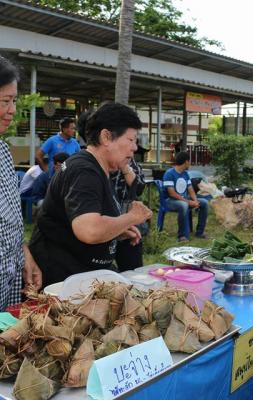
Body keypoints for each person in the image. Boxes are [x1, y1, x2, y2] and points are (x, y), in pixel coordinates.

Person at [29, 103, 152, 288]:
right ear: (106, 137)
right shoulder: (84, 171)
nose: (135, 148)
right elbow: (89, 230)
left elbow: (80, 220)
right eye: (131, 140)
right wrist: (132, 217)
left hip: (81, 276)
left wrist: (117, 230)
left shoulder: (97, 168)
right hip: (64, 283)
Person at [0, 55, 42, 309]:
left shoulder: (3, 152)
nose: (13, 110)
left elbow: (11, 221)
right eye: (5, 101)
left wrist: (24, 253)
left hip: (7, 285)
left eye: (14, 101)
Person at [111, 156, 147, 271]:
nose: (133, 148)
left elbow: (139, 189)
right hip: (104, 220)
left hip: (127, 221)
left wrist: (125, 167)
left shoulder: (132, 163)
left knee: (132, 270)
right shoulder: (99, 163)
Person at [163, 151, 208, 242]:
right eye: (189, 161)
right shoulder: (169, 173)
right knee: (184, 205)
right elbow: (172, 194)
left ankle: (200, 232)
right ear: (186, 162)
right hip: (170, 201)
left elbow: (190, 189)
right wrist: (188, 202)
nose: (189, 163)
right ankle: (182, 236)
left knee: (204, 203)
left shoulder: (185, 174)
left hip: (183, 199)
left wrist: (195, 201)